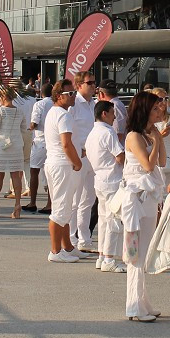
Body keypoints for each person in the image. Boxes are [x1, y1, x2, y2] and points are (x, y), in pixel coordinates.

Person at [122, 92, 166, 322]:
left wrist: (158, 138)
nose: (160, 112)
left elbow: (162, 162)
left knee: (144, 251)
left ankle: (142, 302)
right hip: (136, 200)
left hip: (148, 198)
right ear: (145, 110)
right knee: (136, 253)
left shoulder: (148, 135)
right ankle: (134, 305)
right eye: (156, 109)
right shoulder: (134, 136)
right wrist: (157, 140)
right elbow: (148, 166)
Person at [45, 82, 84, 263]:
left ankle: (67, 247)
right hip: (62, 165)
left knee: (64, 207)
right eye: (70, 93)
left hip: (55, 163)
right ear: (59, 95)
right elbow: (66, 144)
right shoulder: (63, 115)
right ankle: (55, 251)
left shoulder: (54, 112)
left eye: (74, 92)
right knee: (61, 209)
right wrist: (77, 162)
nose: (74, 95)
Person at [85, 101, 126, 273]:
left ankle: (103, 255)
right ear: (104, 114)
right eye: (112, 113)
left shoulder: (93, 132)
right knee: (113, 220)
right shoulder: (108, 132)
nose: (114, 116)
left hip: (100, 178)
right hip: (112, 179)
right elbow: (120, 156)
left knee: (103, 220)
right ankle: (109, 258)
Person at [69, 71, 98, 251]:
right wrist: (77, 152)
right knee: (75, 200)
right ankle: (71, 240)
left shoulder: (93, 104)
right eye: (90, 83)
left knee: (88, 199)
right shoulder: (74, 105)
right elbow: (67, 133)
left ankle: (84, 239)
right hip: (79, 156)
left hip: (94, 156)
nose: (94, 85)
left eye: (94, 83)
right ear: (79, 85)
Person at [0, 87, 26, 219]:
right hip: (16, 145)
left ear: (3, 97)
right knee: (16, 175)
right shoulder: (20, 111)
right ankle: (17, 204)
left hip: (2, 145)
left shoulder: (0, 111)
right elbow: (24, 128)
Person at [23, 82, 54, 213]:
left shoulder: (39, 104)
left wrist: (29, 127)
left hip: (40, 140)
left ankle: (33, 202)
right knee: (51, 174)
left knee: (34, 171)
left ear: (41, 93)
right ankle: (50, 203)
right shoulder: (56, 104)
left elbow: (34, 123)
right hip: (53, 141)